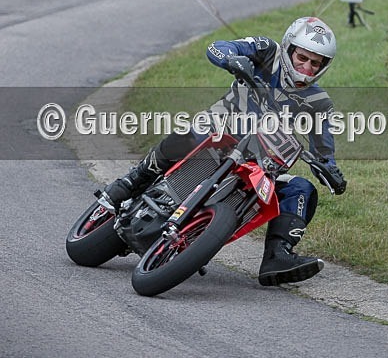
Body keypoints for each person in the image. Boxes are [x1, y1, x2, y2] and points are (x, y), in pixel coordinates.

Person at [102, 16, 346, 287]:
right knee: (190, 134)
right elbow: (218, 47)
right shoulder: (266, 49)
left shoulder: (320, 102)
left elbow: (323, 141)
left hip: (261, 161)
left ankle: (278, 257)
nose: (306, 67)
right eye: (302, 57)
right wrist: (232, 59)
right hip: (221, 130)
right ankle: (132, 181)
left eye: (315, 63)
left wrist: (329, 167)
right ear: (289, 48)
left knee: (301, 188)